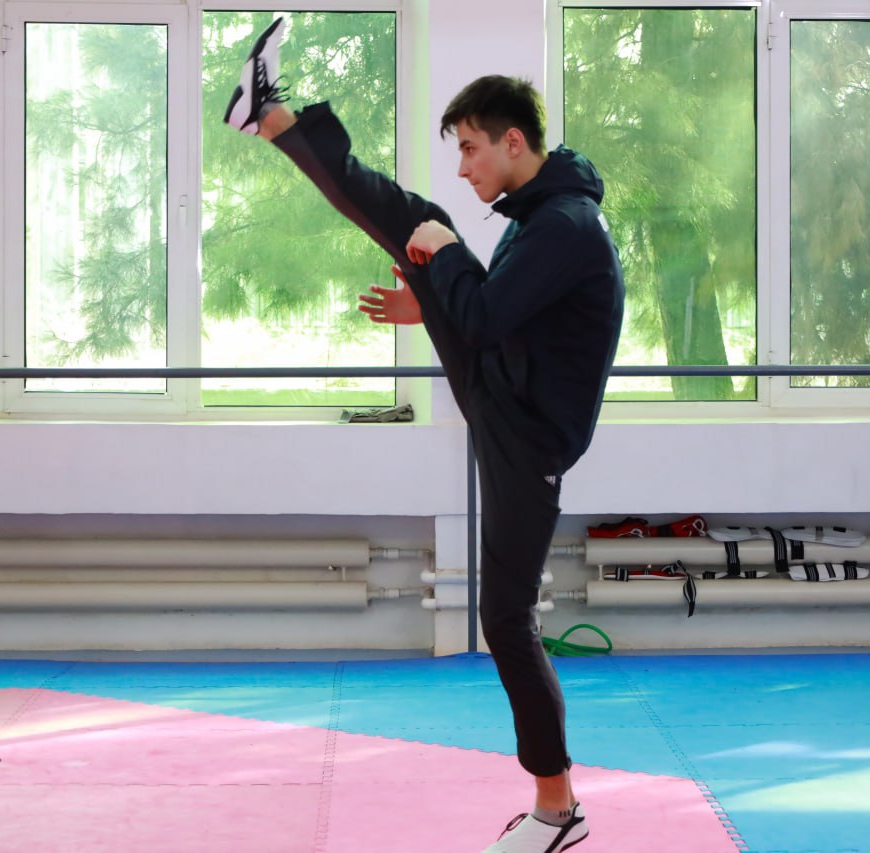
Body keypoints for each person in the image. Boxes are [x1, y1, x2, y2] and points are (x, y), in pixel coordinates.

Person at [225, 18, 624, 852]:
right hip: (509, 397)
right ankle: (274, 120)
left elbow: (482, 316)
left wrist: (443, 265)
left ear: (513, 142)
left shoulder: (564, 227)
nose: (466, 164)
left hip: (526, 434)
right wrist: (430, 298)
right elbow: (502, 313)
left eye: (472, 148)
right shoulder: (546, 215)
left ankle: (558, 811)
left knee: (505, 618)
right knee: (418, 221)